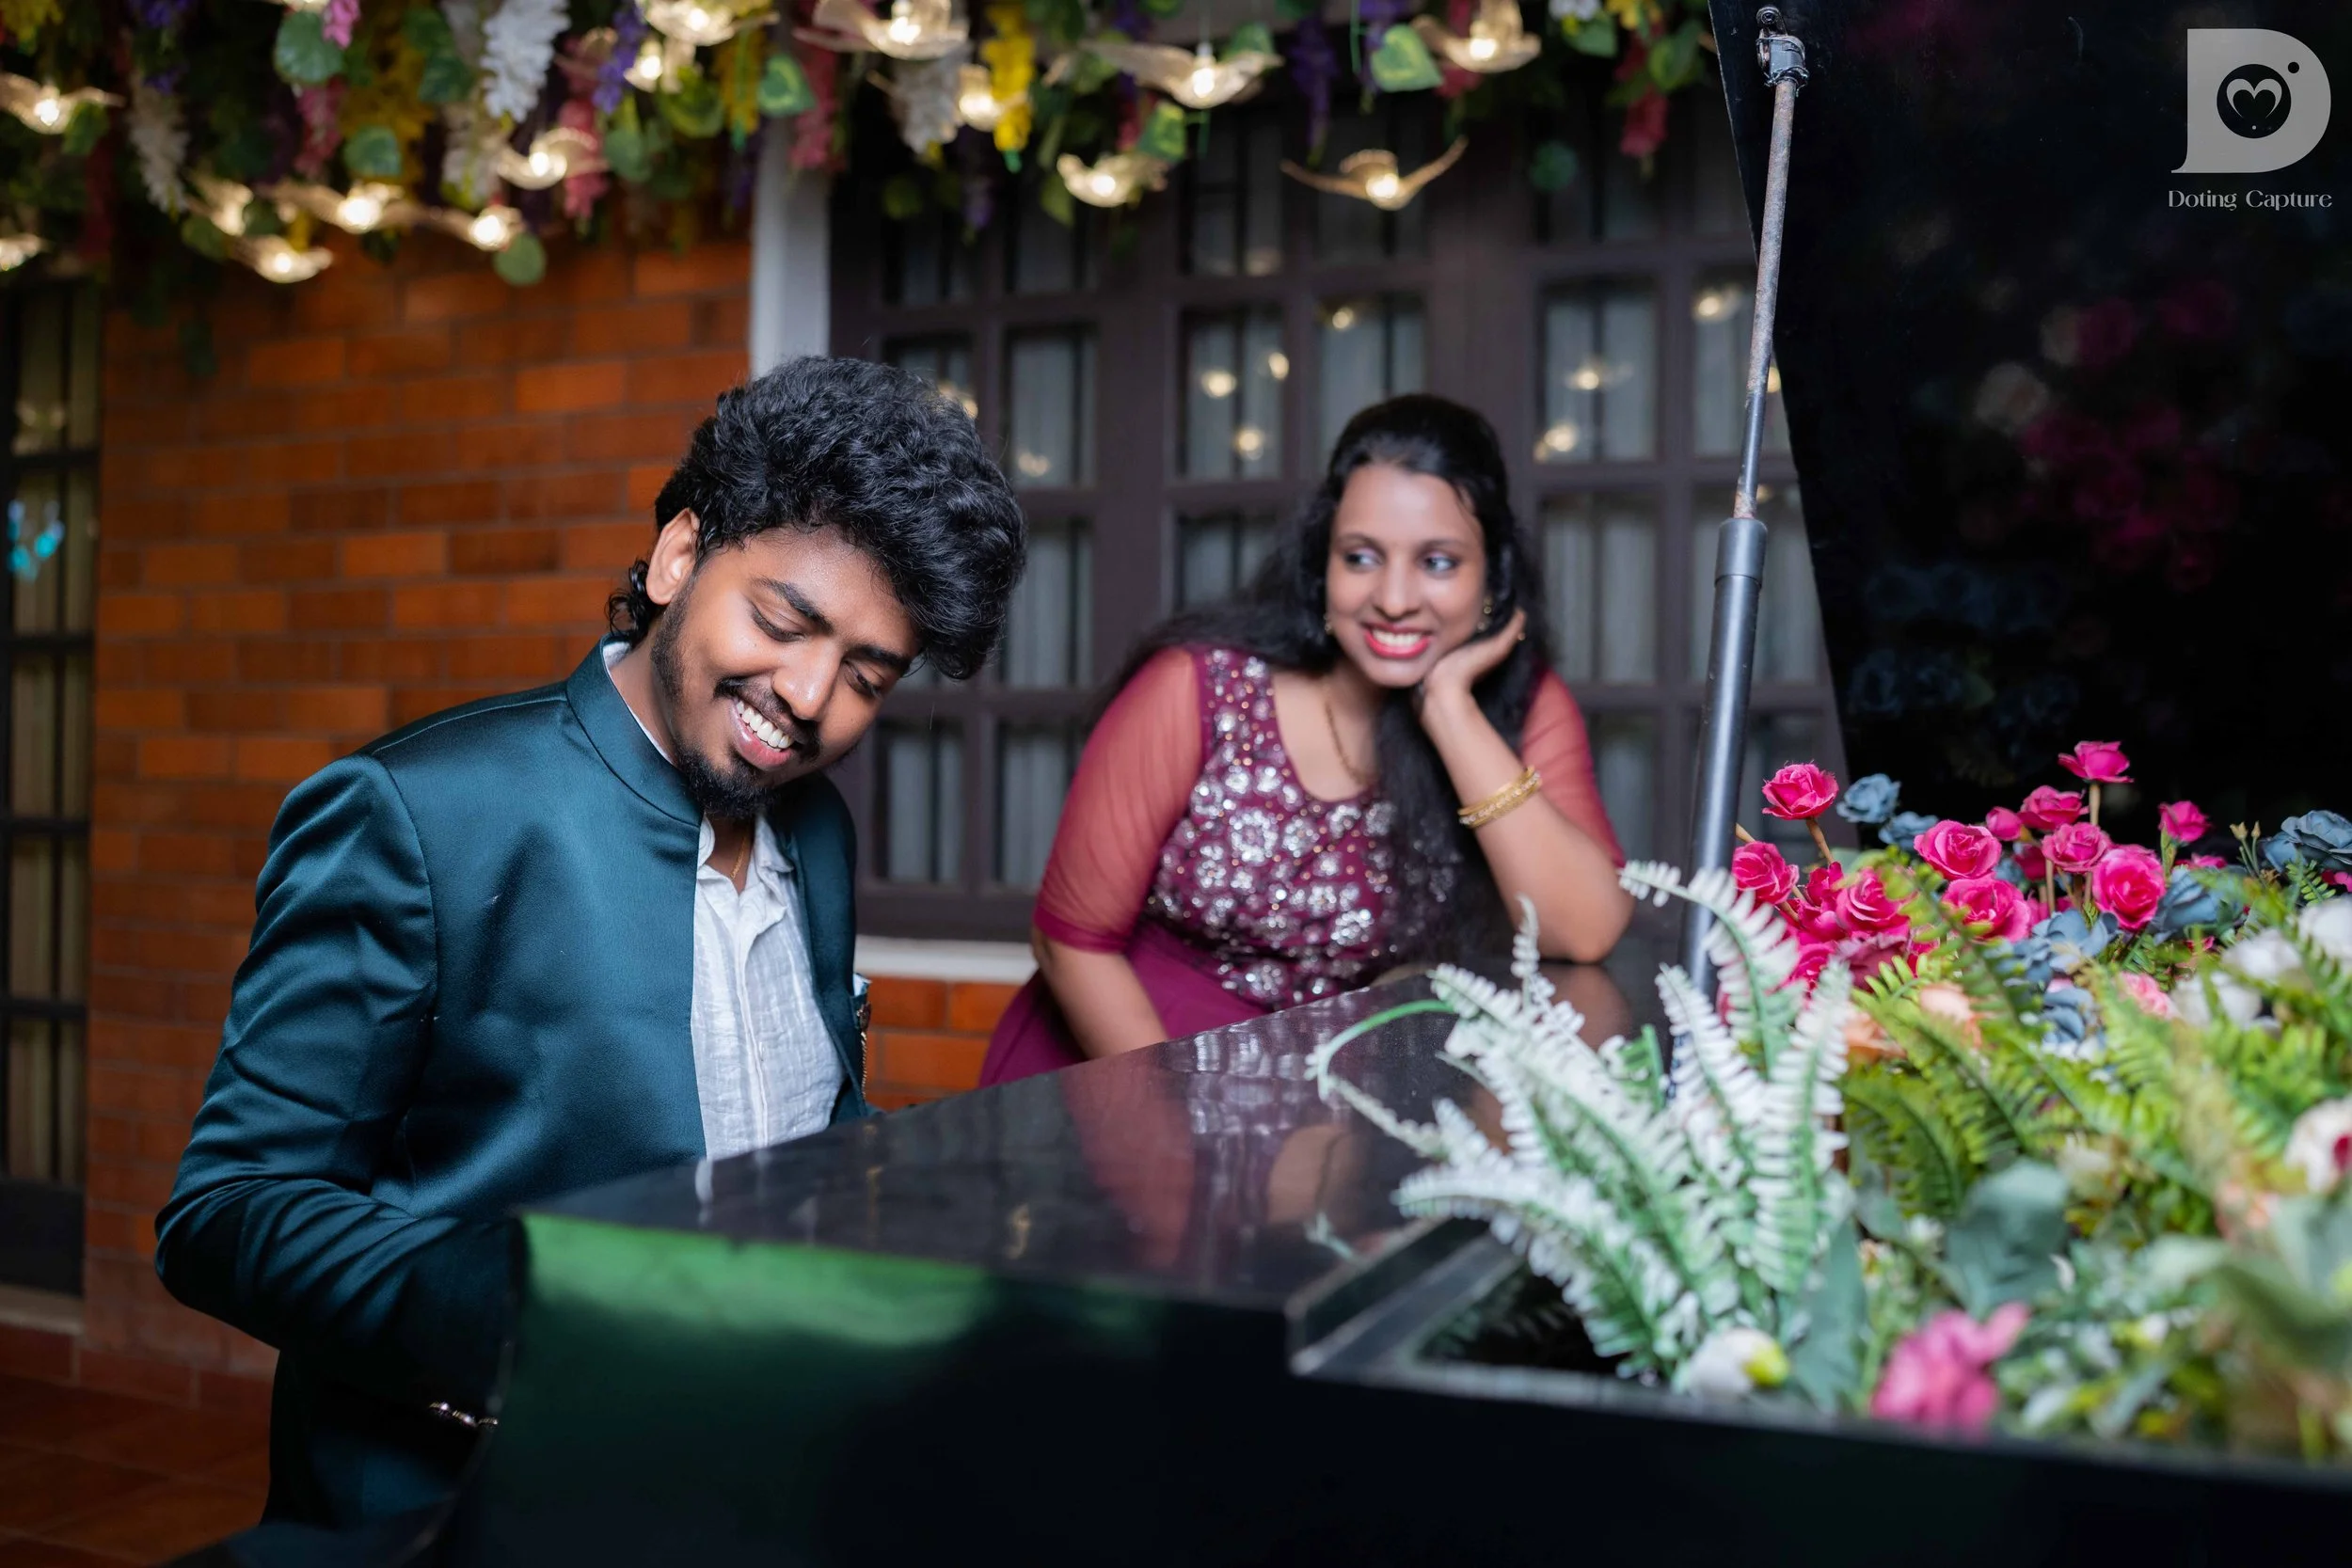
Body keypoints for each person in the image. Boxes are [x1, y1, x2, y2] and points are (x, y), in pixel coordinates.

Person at [154, 358, 1025, 1528]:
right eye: (782, 619)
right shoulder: (418, 812)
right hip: (471, 1503)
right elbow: (226, 1208)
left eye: (866, 674)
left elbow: (792, 1117)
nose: (811, 693)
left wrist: (940, 1181)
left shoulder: (813, 827)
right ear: (678, 557)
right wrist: (529, 1308)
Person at [982, 394, 1629, 1085]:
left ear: (1491, 581)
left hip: (1314, 1110)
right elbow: (1069, 942)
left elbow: (1581, 931)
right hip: (1122, 1070)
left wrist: (1450, 709)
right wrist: (1174, 1140)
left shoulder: (1521, 707)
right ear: (1323, 567)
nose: (1395, 597)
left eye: (1438, 562)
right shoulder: (1199, 688)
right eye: (1361, 557)